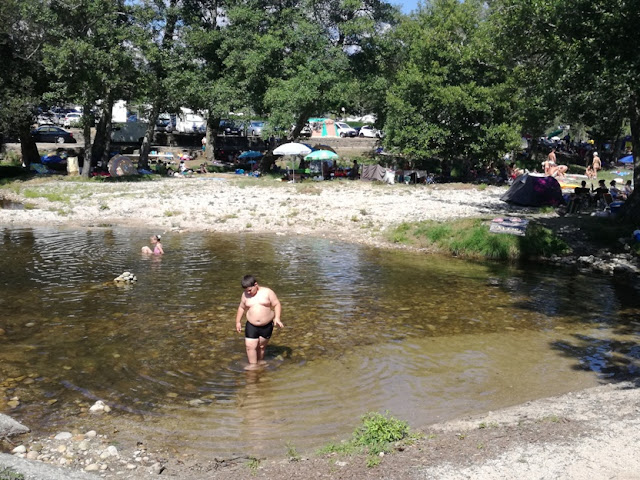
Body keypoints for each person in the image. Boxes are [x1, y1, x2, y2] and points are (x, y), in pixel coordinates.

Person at [235, 275, 283, 368]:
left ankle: (260, 363)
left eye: (249, 290)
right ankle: (253, 366)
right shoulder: (245, 295)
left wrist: (277, 318)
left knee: (261, 347)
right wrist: (238, 322)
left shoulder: (267, 292)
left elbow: (276, 304)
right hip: (251, 325)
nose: (248, 292)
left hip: (267, 325)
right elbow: (241, 307)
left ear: (256, 284)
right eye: (246, 290)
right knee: (250, 346)